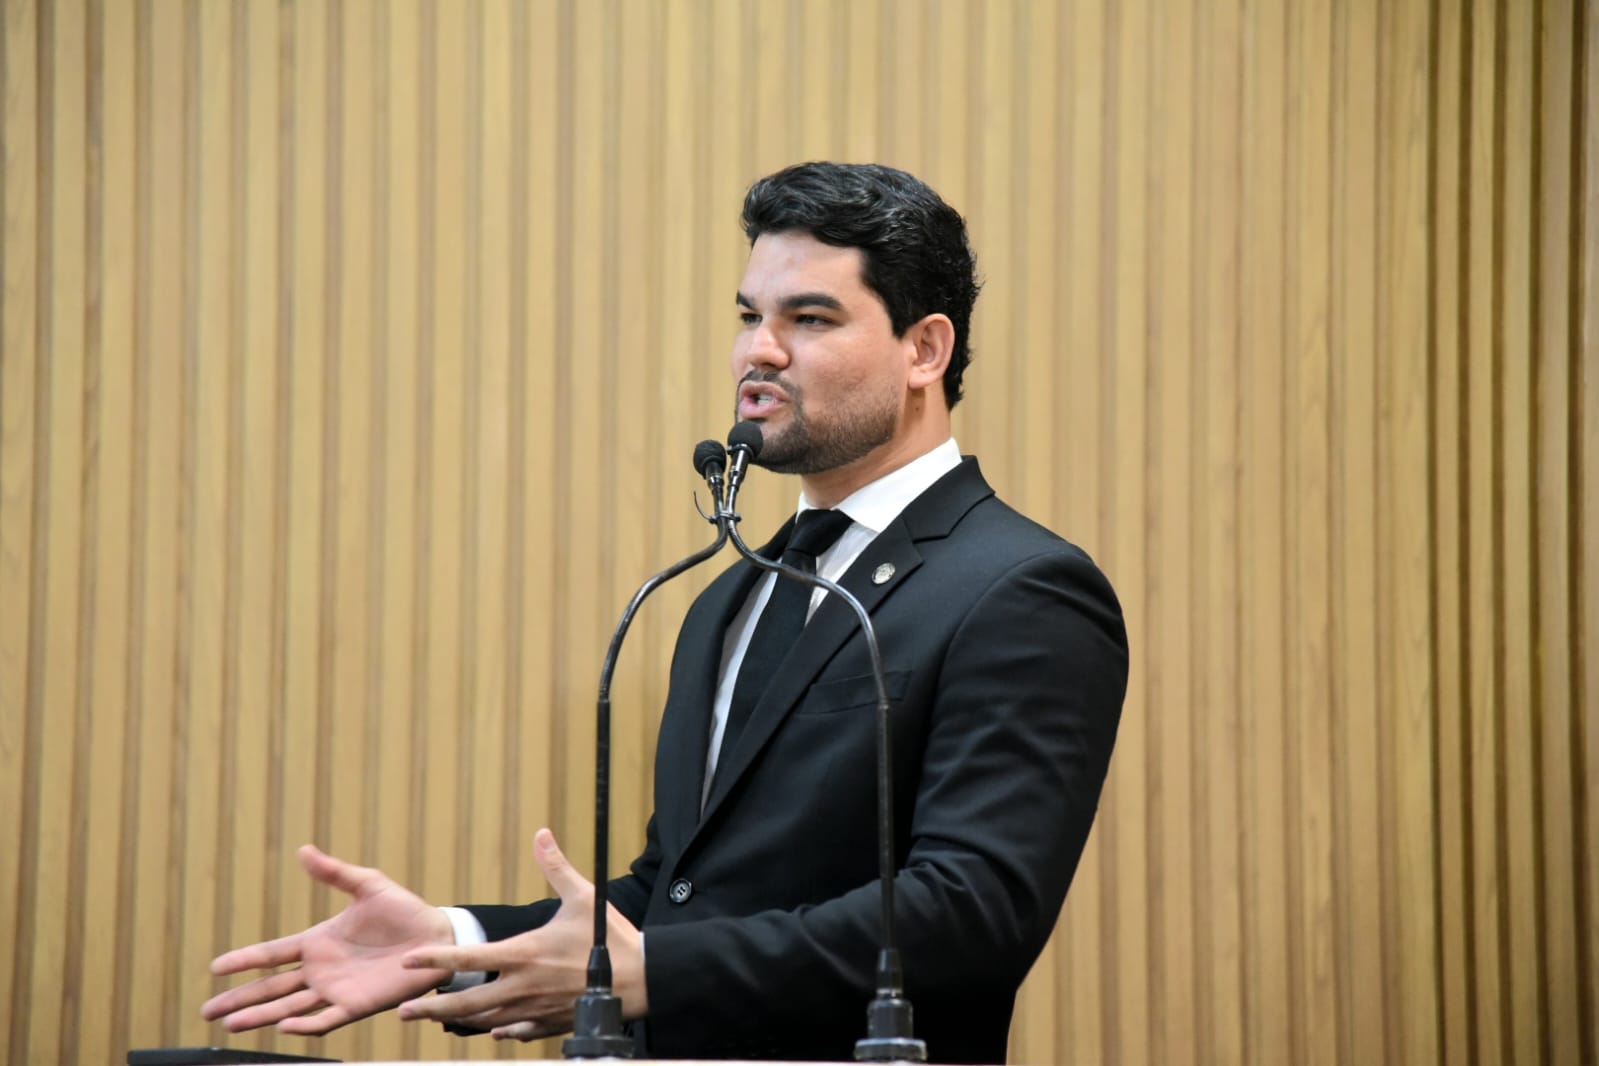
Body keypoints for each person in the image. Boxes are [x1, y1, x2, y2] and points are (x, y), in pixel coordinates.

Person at [201, 161, 1128, 1064]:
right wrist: (451, 940)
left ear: (924, 349)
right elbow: (680, 893)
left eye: (809, 319)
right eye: (749, 316)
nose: (759, 352)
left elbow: (971, 913)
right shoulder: (732, 595)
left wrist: (660, 975)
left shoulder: (1019, 587)